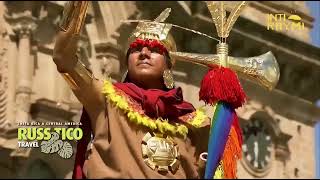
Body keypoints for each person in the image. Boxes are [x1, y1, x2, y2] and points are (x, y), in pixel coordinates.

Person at [53, 3, 238, 179]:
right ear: (127, 62)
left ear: (169, 65)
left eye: (155, 49)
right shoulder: (105, 99)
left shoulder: (195, 123)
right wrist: (78, 6)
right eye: (135, 49)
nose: (144, 53)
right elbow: (63, 57)